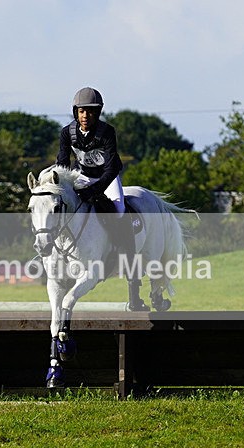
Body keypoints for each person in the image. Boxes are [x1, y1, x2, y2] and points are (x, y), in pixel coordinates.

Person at [56, 87, 148, 311]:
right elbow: (62, 164)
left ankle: (132, 276)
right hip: (82, 177)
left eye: (90, 111)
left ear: (97, 113)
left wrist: (96, 191)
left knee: (118, 212)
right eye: (81, 111)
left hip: (107, 179)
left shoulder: (107, 132)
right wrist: (66, 187)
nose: (85, 116)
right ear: (75, 112)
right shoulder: (67, 133)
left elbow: (110, 168)